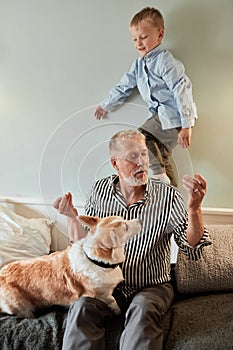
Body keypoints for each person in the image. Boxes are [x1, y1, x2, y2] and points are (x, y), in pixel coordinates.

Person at [53, 129, 211, 350]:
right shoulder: (99, 191)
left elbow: (191, 247)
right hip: (106, 284)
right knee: (81, 307)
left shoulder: (169, 196)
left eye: (144, 154)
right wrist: (71, 218)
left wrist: (194, 210)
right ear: (115, 164)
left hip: (151, 286)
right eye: (133, 157)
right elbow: (86, 247)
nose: (143, 163)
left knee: (144, 310)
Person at [94, 7, 198, 187]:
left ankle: (158, 174)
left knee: (141, 136)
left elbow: (181, 87)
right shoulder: (138, 65)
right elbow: (124, 86)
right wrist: (105, 105)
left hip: (174, 117)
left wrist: (187, 124)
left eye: (143, 37)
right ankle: (171, 197)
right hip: (161, 119)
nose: (139, 43)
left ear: (160, 35)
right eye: (134, 39)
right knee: (162, 156)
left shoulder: (164, 60)